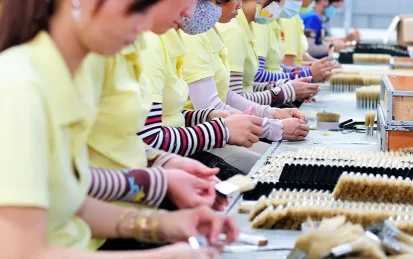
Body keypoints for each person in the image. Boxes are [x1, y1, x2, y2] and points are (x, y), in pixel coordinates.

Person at [0, 0, 237, 258]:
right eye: (138, 9)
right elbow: (22, 252)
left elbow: (71, 201)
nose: (146, 24)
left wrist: (163, 225)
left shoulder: (70, 76)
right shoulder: (19, 87)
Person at [138, 0, 267, 174]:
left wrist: (208, 116)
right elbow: (147, 139)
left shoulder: (170, 36)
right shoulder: (149, 43)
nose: (190, 12)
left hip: (178, 150)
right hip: (168, 157)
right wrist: (221, 130)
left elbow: (165, 116)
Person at [182, 0, 311, 154]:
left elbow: (226, 94)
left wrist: (273, 113)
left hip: (219, 126)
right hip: (203, 134)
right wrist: (273, 124)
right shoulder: (222, 31)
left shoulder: (215, 29)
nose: (239, 5)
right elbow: (211, 106)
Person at [216, 0, 326, 107]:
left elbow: (248, 84)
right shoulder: (233, 30)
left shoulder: (249, 26)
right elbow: (234, 99)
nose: (280, 7)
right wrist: (286, 91)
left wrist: (285, 87)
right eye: (279, 2)